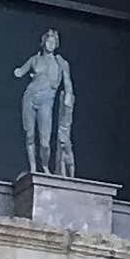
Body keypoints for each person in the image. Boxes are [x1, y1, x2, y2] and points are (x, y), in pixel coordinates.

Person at [13, 28, 79, 177]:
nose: (50, 44)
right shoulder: (35, 59)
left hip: (46, 101)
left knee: (45, 142)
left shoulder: (60, 63)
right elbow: (20, 71)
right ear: (43, 42)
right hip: (30, 97)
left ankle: (44, 166)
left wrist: (68, 96)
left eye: (53, 42)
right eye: (48, 41)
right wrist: (18, 72)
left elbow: (67, 82)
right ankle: (33, 168)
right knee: (29, 135)